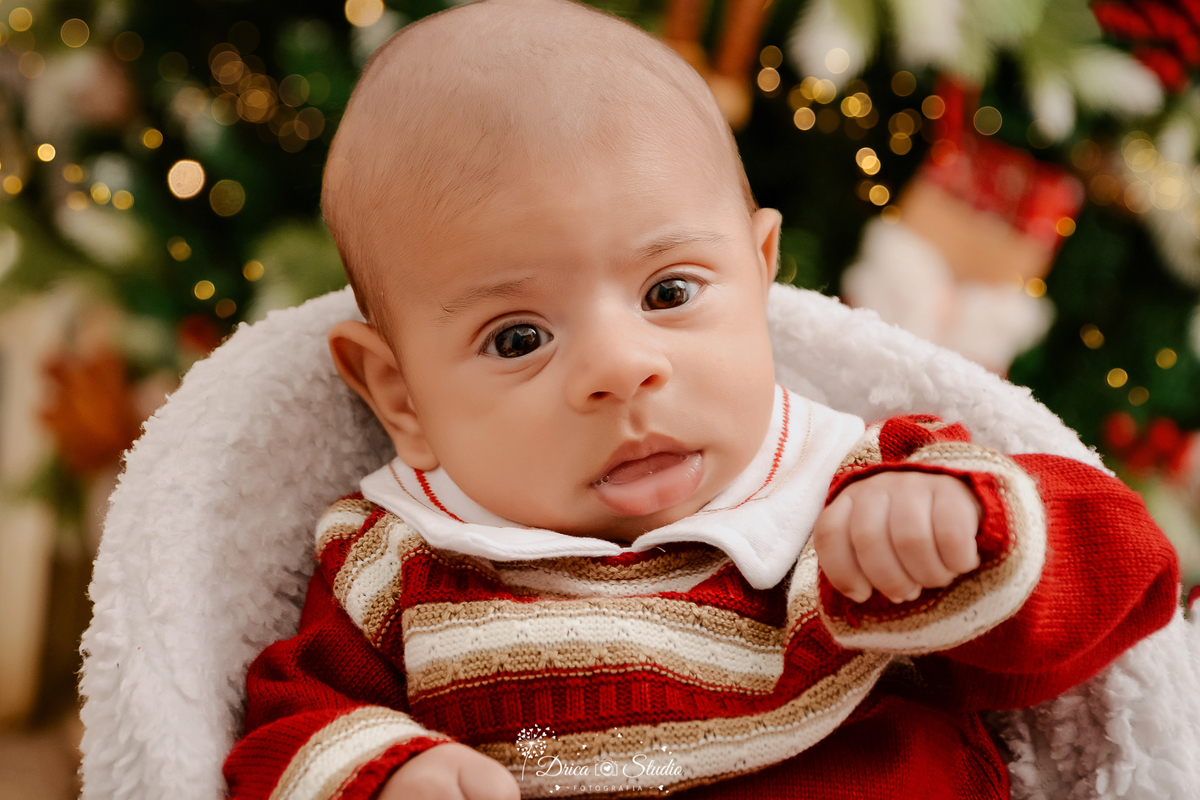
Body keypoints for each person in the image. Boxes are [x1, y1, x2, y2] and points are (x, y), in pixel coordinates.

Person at [222, 1, 1181, 798]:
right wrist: (387, 772)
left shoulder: (855, 483)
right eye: (519, 337)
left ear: (758, 275)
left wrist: (963, 529)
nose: (623, 369)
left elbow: (1125, 575)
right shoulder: (399, 563)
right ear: (402, 395)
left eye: (669, 293)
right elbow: (280, 732)